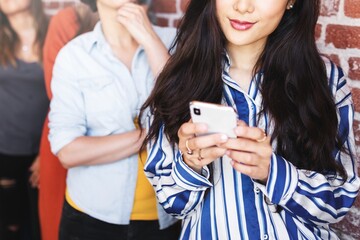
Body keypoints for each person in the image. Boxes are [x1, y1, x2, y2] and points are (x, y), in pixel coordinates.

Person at [140, 0, 360, 239]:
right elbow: (172, 205)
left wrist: (272, 172)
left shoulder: (325, 80)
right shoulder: (178, 81)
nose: (243, 6)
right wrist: (191, 163)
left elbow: (340, 200)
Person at [48, 0, 179, 239]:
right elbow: (68, 152)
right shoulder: (74, 56)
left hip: (167, 217)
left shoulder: (177, 41)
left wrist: (150, 40)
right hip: (91, 218)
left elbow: (184, 115)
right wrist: (149, 135)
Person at [38, 4, 98, 240]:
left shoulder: (143, 22)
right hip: (70, 136)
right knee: (58, 224)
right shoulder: (67, 20)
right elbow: (56, 91)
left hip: (120, 147)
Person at [0, 0, 48, 239]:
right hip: (4, 152)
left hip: (45, 151)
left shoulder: (55, 33)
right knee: (11, 226)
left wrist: (46, 151)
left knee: (40, 225)